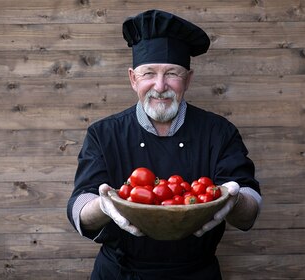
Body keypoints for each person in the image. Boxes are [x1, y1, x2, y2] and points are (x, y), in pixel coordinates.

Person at [66, 9, 263, 279]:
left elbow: (249, 208)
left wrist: (235, 198)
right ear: (133, 79)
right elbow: (79, 204)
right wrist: (104, 205)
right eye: (149, 73)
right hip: (121, 272)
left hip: (196, 273)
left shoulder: (220, 132)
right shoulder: (104, 133)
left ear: (188, 79)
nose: (160, 86)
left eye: (172, 73)